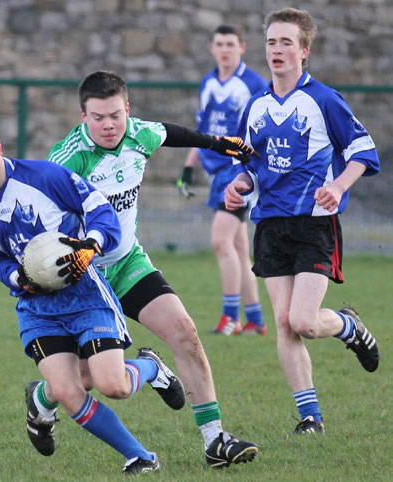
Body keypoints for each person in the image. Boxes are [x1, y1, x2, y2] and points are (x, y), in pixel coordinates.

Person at [29, 70, 259, 468]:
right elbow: (39, 221)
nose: (109, 125)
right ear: (83, 116)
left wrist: (218, 144)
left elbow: (172, 133)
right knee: (88, 381)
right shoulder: (67, 159)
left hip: (126, 263)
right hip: (82, 281)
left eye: (115, 115)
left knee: (184, 331)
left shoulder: (138, 133)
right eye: (98, 117)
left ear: (127, 110)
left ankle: (215, 440)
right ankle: (42, 398)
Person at [0, 111, 189, 474]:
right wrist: (18, 279)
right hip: (37, 307)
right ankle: (140, 456)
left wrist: (90, 246)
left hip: (85, 294)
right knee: (69, 391)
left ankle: (150, 368)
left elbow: (98, 208)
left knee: (114, 385)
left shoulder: (44, 176)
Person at [224, 8, 380, 434]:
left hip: (315, 221)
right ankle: (311, 417)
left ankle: (348, 325)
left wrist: (340, 187)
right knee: (283, 324)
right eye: (272, 42)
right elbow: (248, 165)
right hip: (270, 225)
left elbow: (364, 153)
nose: (277, 50)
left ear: (304, 50)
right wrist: (237, 183)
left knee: (304, 322)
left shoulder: (324, 99)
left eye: (286, 42)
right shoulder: (255, 106)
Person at [178, 24, 268, 336]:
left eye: (231, 43)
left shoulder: (253, 84)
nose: (225, 49)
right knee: (239, 247)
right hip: (216, 173)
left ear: (242, 47)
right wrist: (189, 167)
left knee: (220, 240)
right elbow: (200, 131)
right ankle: (255, 319)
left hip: (238, 171)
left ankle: (230, 317)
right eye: (220, 43)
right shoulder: (208, 82)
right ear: (212, 48)